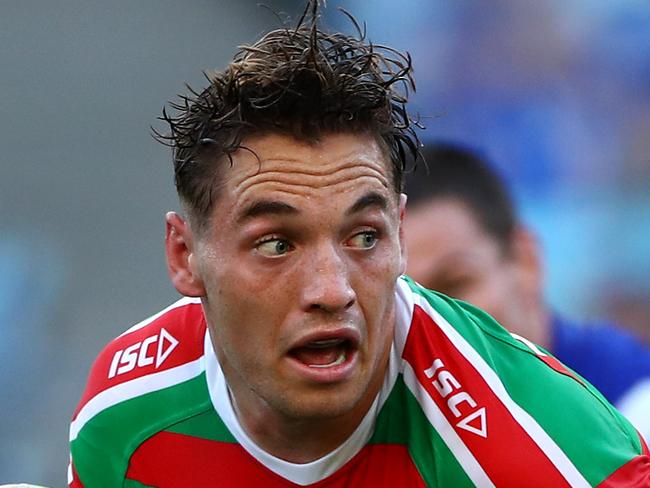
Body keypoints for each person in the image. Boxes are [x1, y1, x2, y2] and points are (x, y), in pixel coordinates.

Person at [69, 2, 649, 486]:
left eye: (364, 237)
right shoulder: (122, 417)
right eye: (276, 243)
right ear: (184, 256)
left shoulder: (540, 448)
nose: (332, 290)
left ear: (399, 234)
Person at [403, 142, 650, 439]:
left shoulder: (633, 417)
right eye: (404, 301)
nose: (431, 321)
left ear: (525, 260)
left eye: (455, 284)